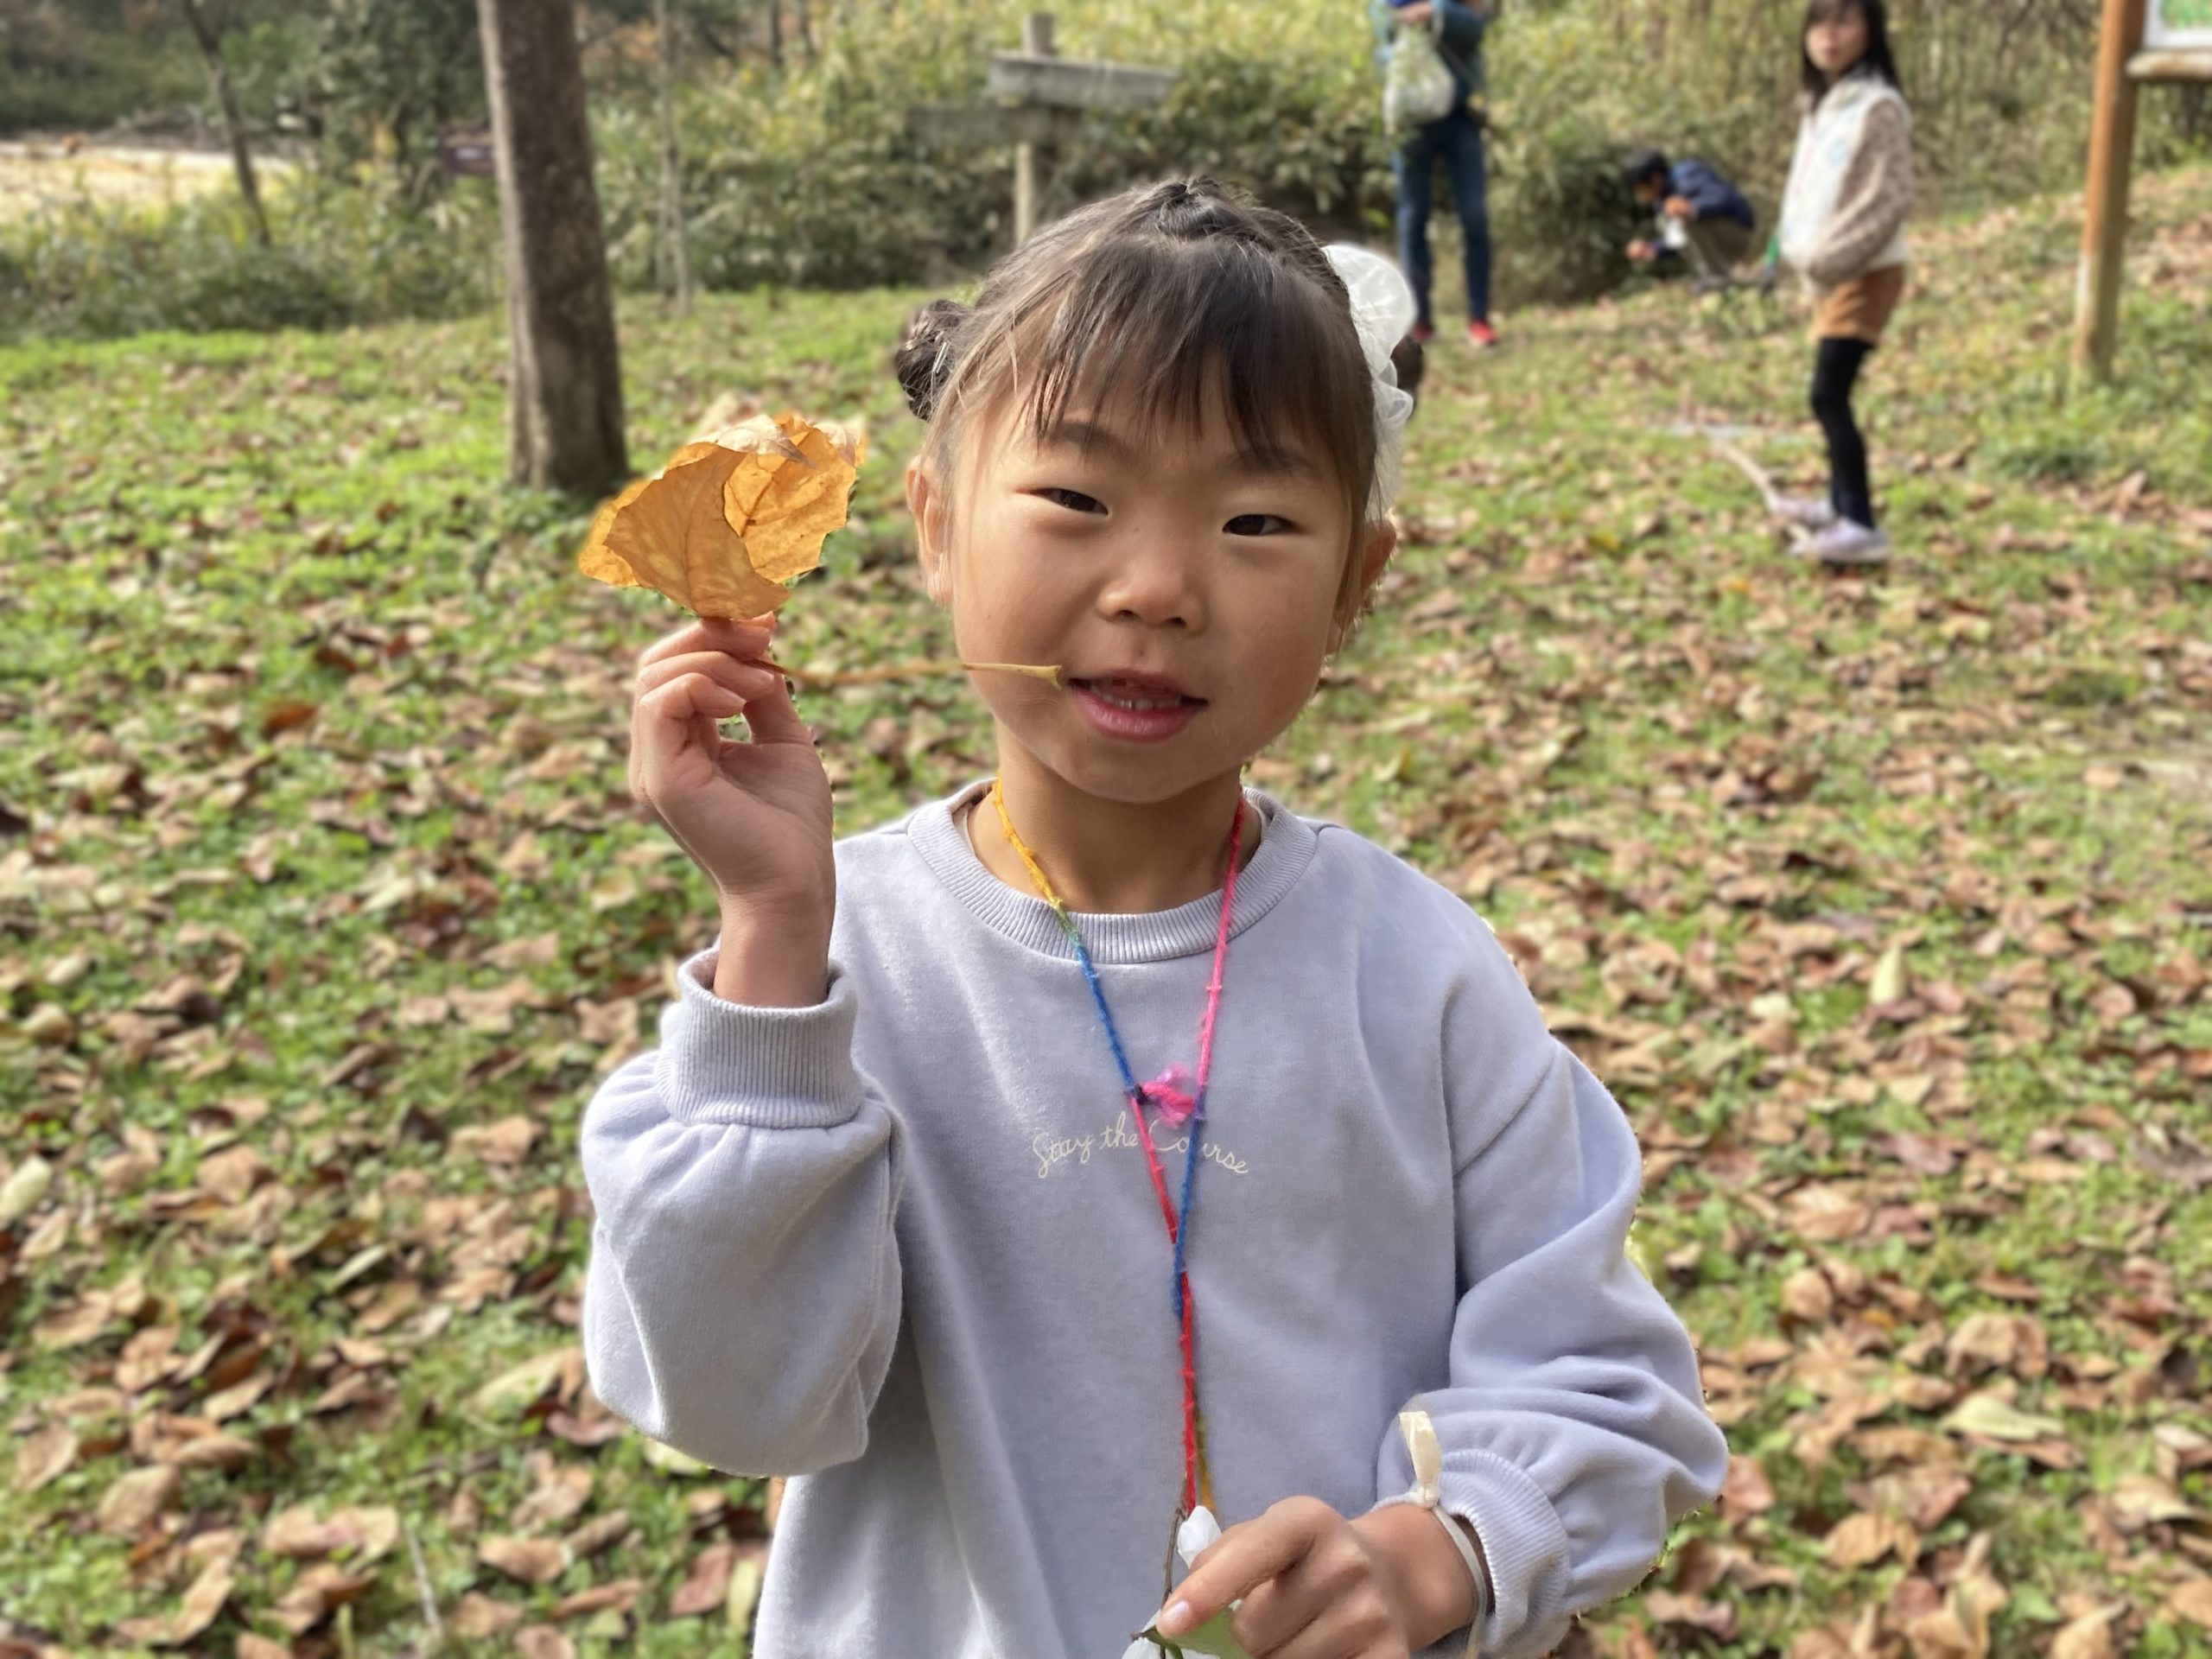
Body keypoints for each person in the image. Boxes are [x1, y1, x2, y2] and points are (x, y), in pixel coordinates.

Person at [580, 176, 1727, 1659]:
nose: (1159, 587)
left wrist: (1447, 1548)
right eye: (1075, 498)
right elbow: (731, 1403)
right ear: (933, 525)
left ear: (1356, 586)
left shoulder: (1421, 978)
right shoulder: (823, 978)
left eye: (1256, 519)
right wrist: (774, 937)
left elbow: (1601, 1371)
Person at [1774, 0, 1913, 565]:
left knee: (1828, 392)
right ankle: (1837, 503)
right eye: (1819, 21)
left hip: (1865, 268)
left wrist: (1830, 256)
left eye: (1845, 20)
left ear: (1870, 31)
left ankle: (1860, 521)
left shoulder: (1878, 108)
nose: (1829, 35)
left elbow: (1887, 198)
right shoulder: (1823, 106)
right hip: (1826, 270)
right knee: (1828, 393)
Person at [1376, 0, 1500, 347]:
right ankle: (1421, 320)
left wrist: (1436, 11)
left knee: (1474, 216)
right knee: (1413, 218)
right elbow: (1382, 30)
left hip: (1461, 117)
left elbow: (1476, 28)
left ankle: (1479, 318)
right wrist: (1403, 23)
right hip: (1413, 121)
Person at [1621, 146, 1758, 291]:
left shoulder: (1687, 176)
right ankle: (1714, 276)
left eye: (1640, 189)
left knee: (1687, 219)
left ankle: (1718, 277)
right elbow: (1677, 237)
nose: (1641, 196)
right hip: (1720, 240)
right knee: (1669, 222)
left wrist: (1692, 208)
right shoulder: (1662, 200)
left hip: (1741, 235)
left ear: (1655, 179)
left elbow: (1724, 197)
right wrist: (1653, 248)